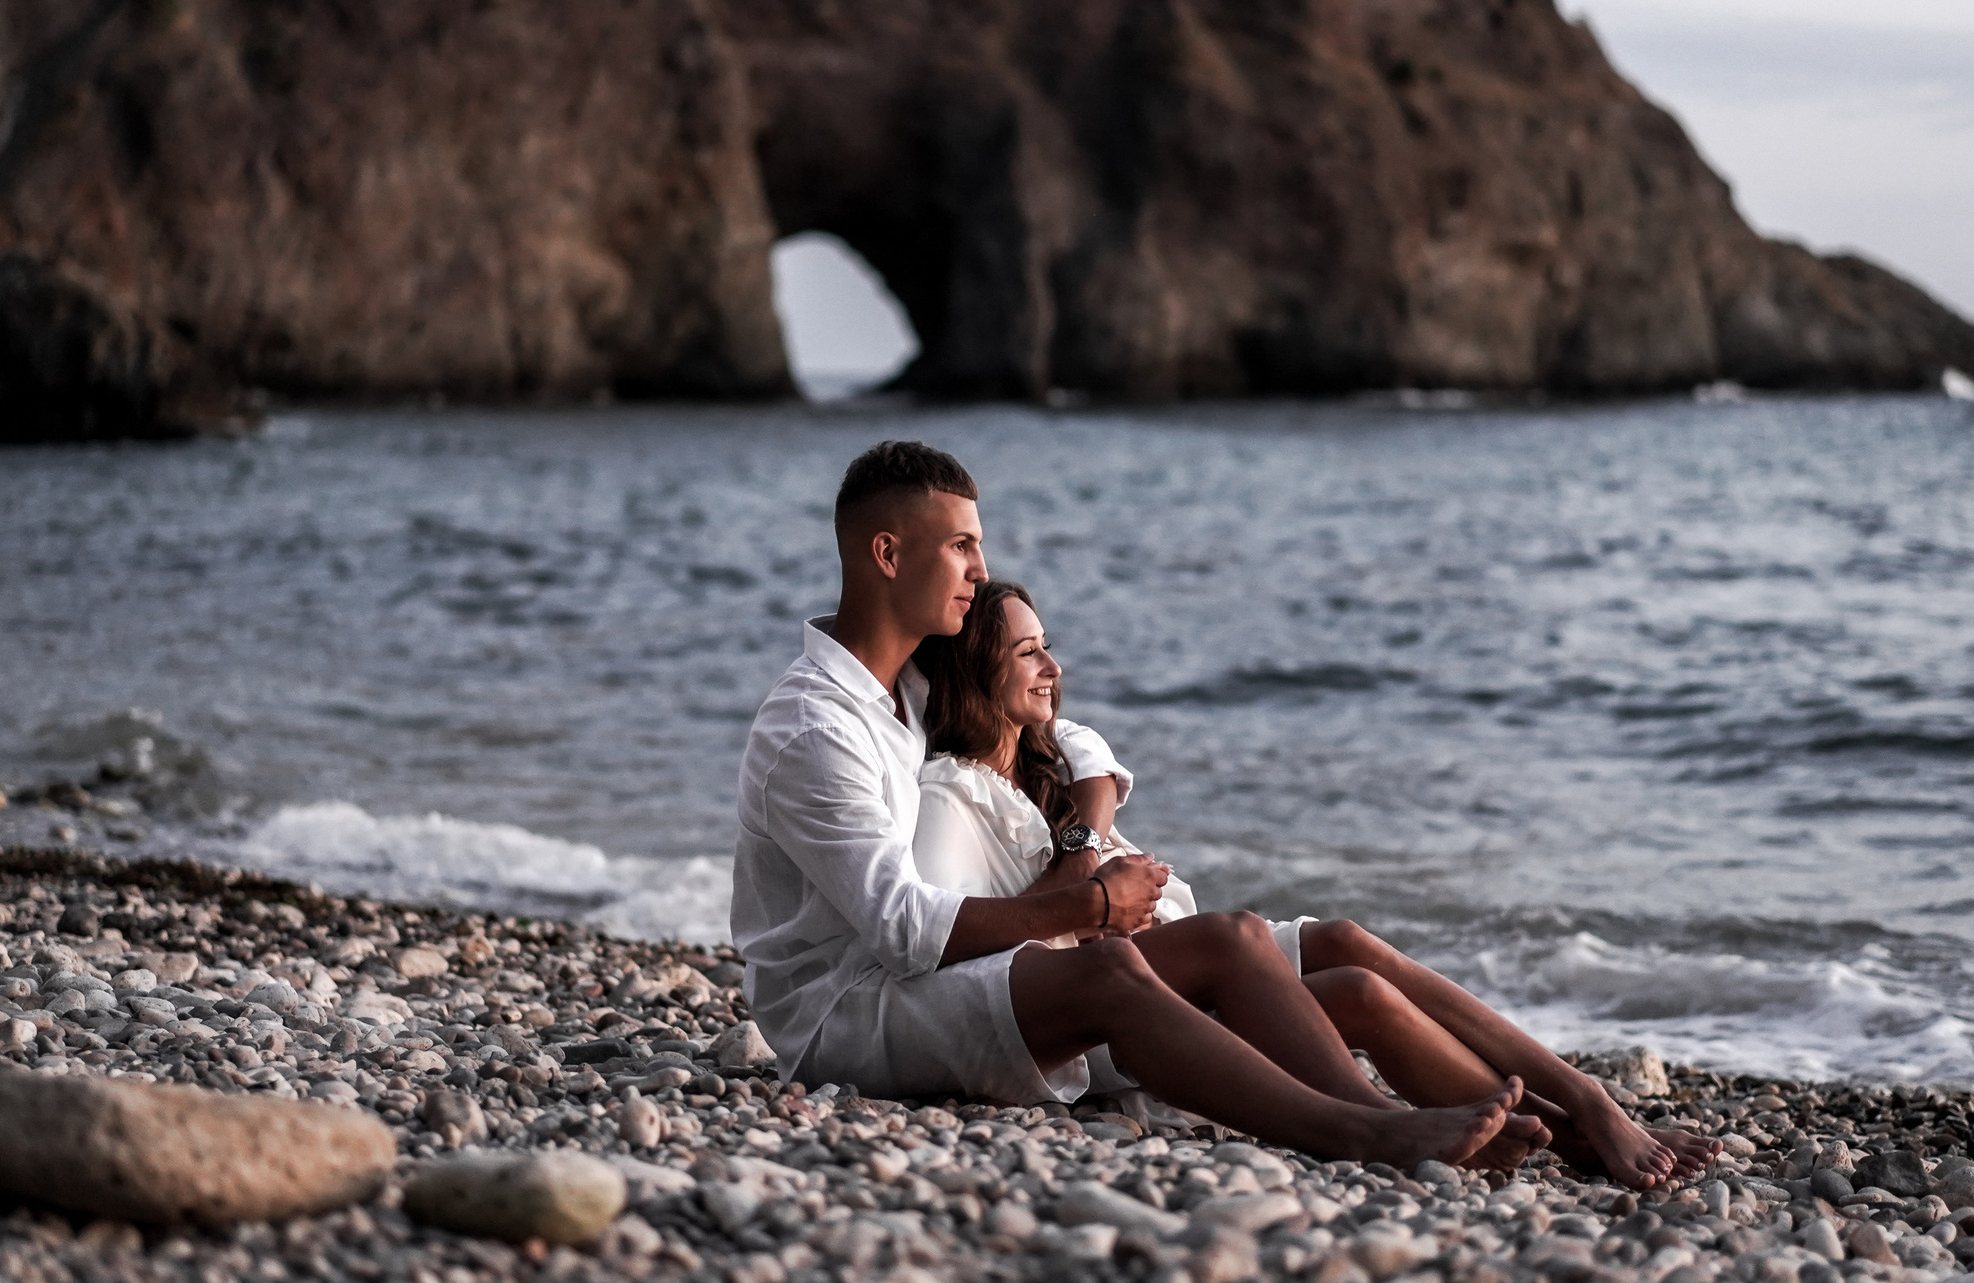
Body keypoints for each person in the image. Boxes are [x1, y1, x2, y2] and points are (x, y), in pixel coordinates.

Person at [732, 440, 1548, 1170]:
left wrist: (1087, 823)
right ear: (887, 552)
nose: (980, 569)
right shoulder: (816, 725)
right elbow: (905, 930)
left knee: (1243, 936)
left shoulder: (909, 685)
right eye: (961, 546)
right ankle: (1368, 1129)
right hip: (851, 1014)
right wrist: (1089, 899)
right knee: (1114, 962)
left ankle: (1554, 1111)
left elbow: (1058, 723)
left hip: (921, 978)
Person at [911, 576, 1719, 1192]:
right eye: (1027, 651)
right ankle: (1389, 1127)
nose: (1054, 665)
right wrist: (1091, 889)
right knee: (1303, 964)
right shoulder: (951, 795)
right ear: (979, 669)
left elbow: (1088, 749)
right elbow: (969, 962)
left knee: (1350, 952)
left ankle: (1577, 1111)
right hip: (1132, 1010)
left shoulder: (1049, 761)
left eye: (1047, 643)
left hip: (1189, 972)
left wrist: (1090, 811)